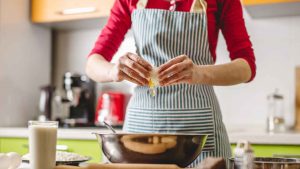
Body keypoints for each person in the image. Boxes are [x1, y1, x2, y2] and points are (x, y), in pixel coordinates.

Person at [86, 0, 256, 167]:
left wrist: (199, 73)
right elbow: (93, 63)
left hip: (199, 134)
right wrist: (113, 71)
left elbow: (246, 66)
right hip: (141, 132)